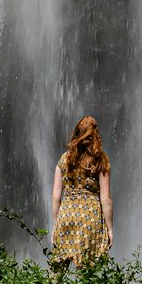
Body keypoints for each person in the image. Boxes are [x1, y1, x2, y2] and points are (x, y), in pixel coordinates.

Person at [51, 114, 113, 267]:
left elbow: (55, 197)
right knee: (86, 273)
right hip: (90, 218)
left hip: (66, 215)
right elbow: (105, 199)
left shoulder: (64, 159)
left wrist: (56, 224)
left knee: (57, 271)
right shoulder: (100, 160)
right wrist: (110, 229)